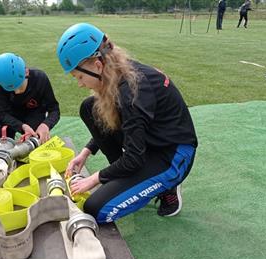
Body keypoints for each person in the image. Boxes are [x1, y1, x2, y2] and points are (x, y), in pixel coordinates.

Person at [57, 23, 198, 223]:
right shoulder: (116, 70)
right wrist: (86, 152)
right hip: (149, 141)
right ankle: (125, 178)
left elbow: (134, 158)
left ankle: (168, 186)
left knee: (95, 209)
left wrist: (94, 178)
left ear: (98, 65)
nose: (80, 83)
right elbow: (117, 119)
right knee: (89, 107)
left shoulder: (132, 91)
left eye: (79, 76)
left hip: (172, 154)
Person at [0, 53, 60, 146]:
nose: (16, 92)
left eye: (19, 86)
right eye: (11, 89)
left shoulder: (40, 78)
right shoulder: (2, 80)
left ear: (26, 72)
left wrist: (45, 125)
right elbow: (2, 113)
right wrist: (22, 126)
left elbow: (54, 109)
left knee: (35, 139)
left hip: (33, 113)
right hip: (10, 113)